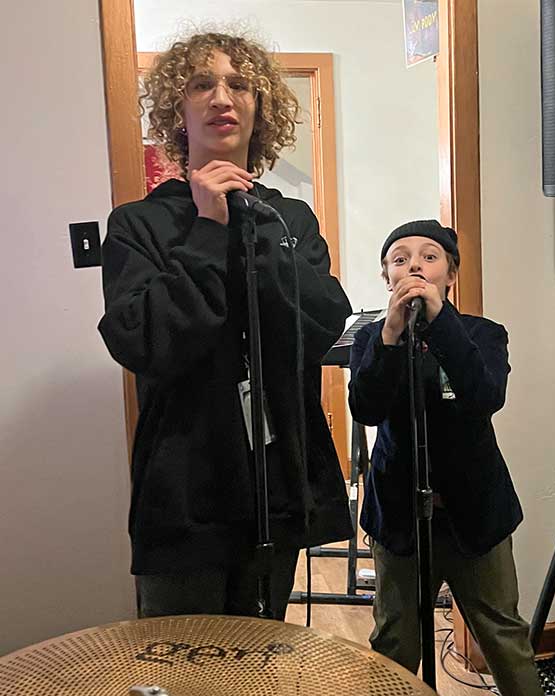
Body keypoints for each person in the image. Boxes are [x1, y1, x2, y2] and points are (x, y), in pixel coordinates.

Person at [98, 31, 353, 620]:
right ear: (177, 111)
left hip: (276, 486)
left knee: (261, 662)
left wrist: (250, 230)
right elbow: (141, 340)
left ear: (259, 108)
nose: (222, 97)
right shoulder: (138, 224)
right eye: (201, 84)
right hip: (185, 490)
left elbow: (320, 326)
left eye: (239, 84)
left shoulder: (287, 220)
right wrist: (208, 228)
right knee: (183, 666)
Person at [348, 220, 543, 695]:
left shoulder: (483, 333)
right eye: (400, 258)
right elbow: (366, 407)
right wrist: (392, 333)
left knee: (503, 634)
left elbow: (484, 396)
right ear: (386, 278)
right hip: (398, 516)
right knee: (394, 640)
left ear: (450, 275)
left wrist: (441, 324)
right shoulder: (372, 338)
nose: (414, 264)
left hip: (476, 514)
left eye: (429, 256)